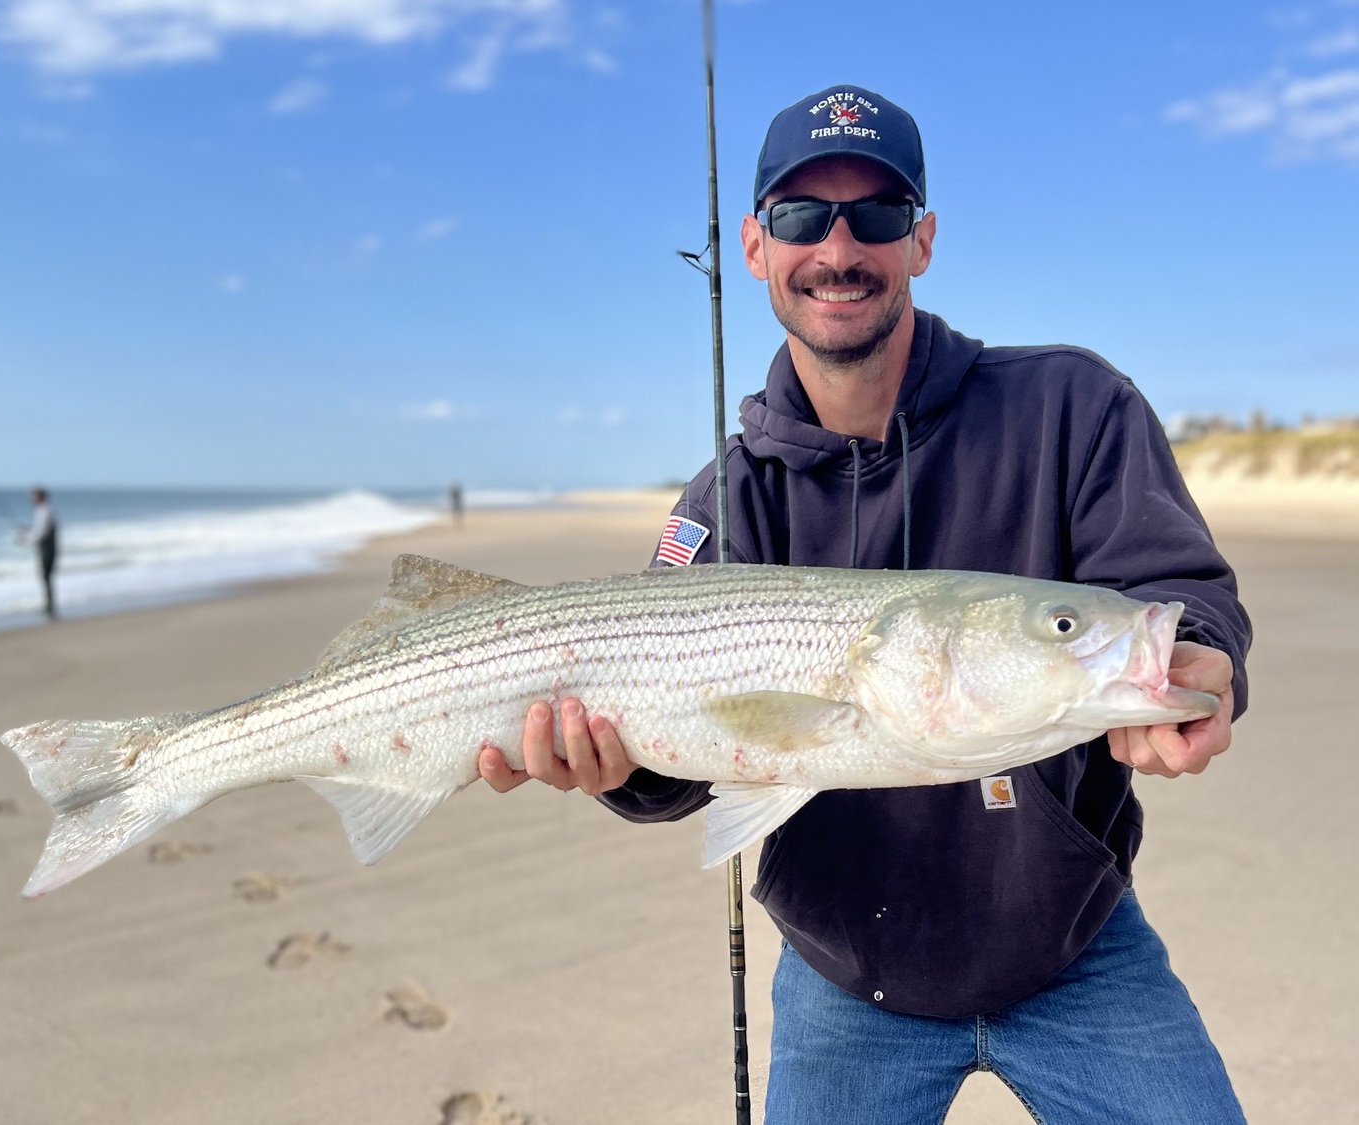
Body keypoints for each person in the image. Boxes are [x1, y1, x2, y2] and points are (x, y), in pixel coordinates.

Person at [479, 84, 1252, 1123]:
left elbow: (1177, 593)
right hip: (844, 971)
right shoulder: (725, 504)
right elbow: (681, 781)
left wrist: (1198, 659)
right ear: (754, 247)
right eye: (801, 215)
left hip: (1076, 944)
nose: (838, 246)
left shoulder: (1072, 406)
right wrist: (615, 770)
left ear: (922, 239)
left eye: (877, 213)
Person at [22, 487, 58, 619]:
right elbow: (38, 531)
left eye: (34, 496)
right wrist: (28, 534)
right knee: (46, 578)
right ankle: (48, 607)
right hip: (46, 547)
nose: (32, 499)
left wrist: (27, 538)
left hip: (48, 549)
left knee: (46, 577)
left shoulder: (45, 511)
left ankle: (50, 608)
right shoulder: (41, 511)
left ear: (41, 497)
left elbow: (41, 533)